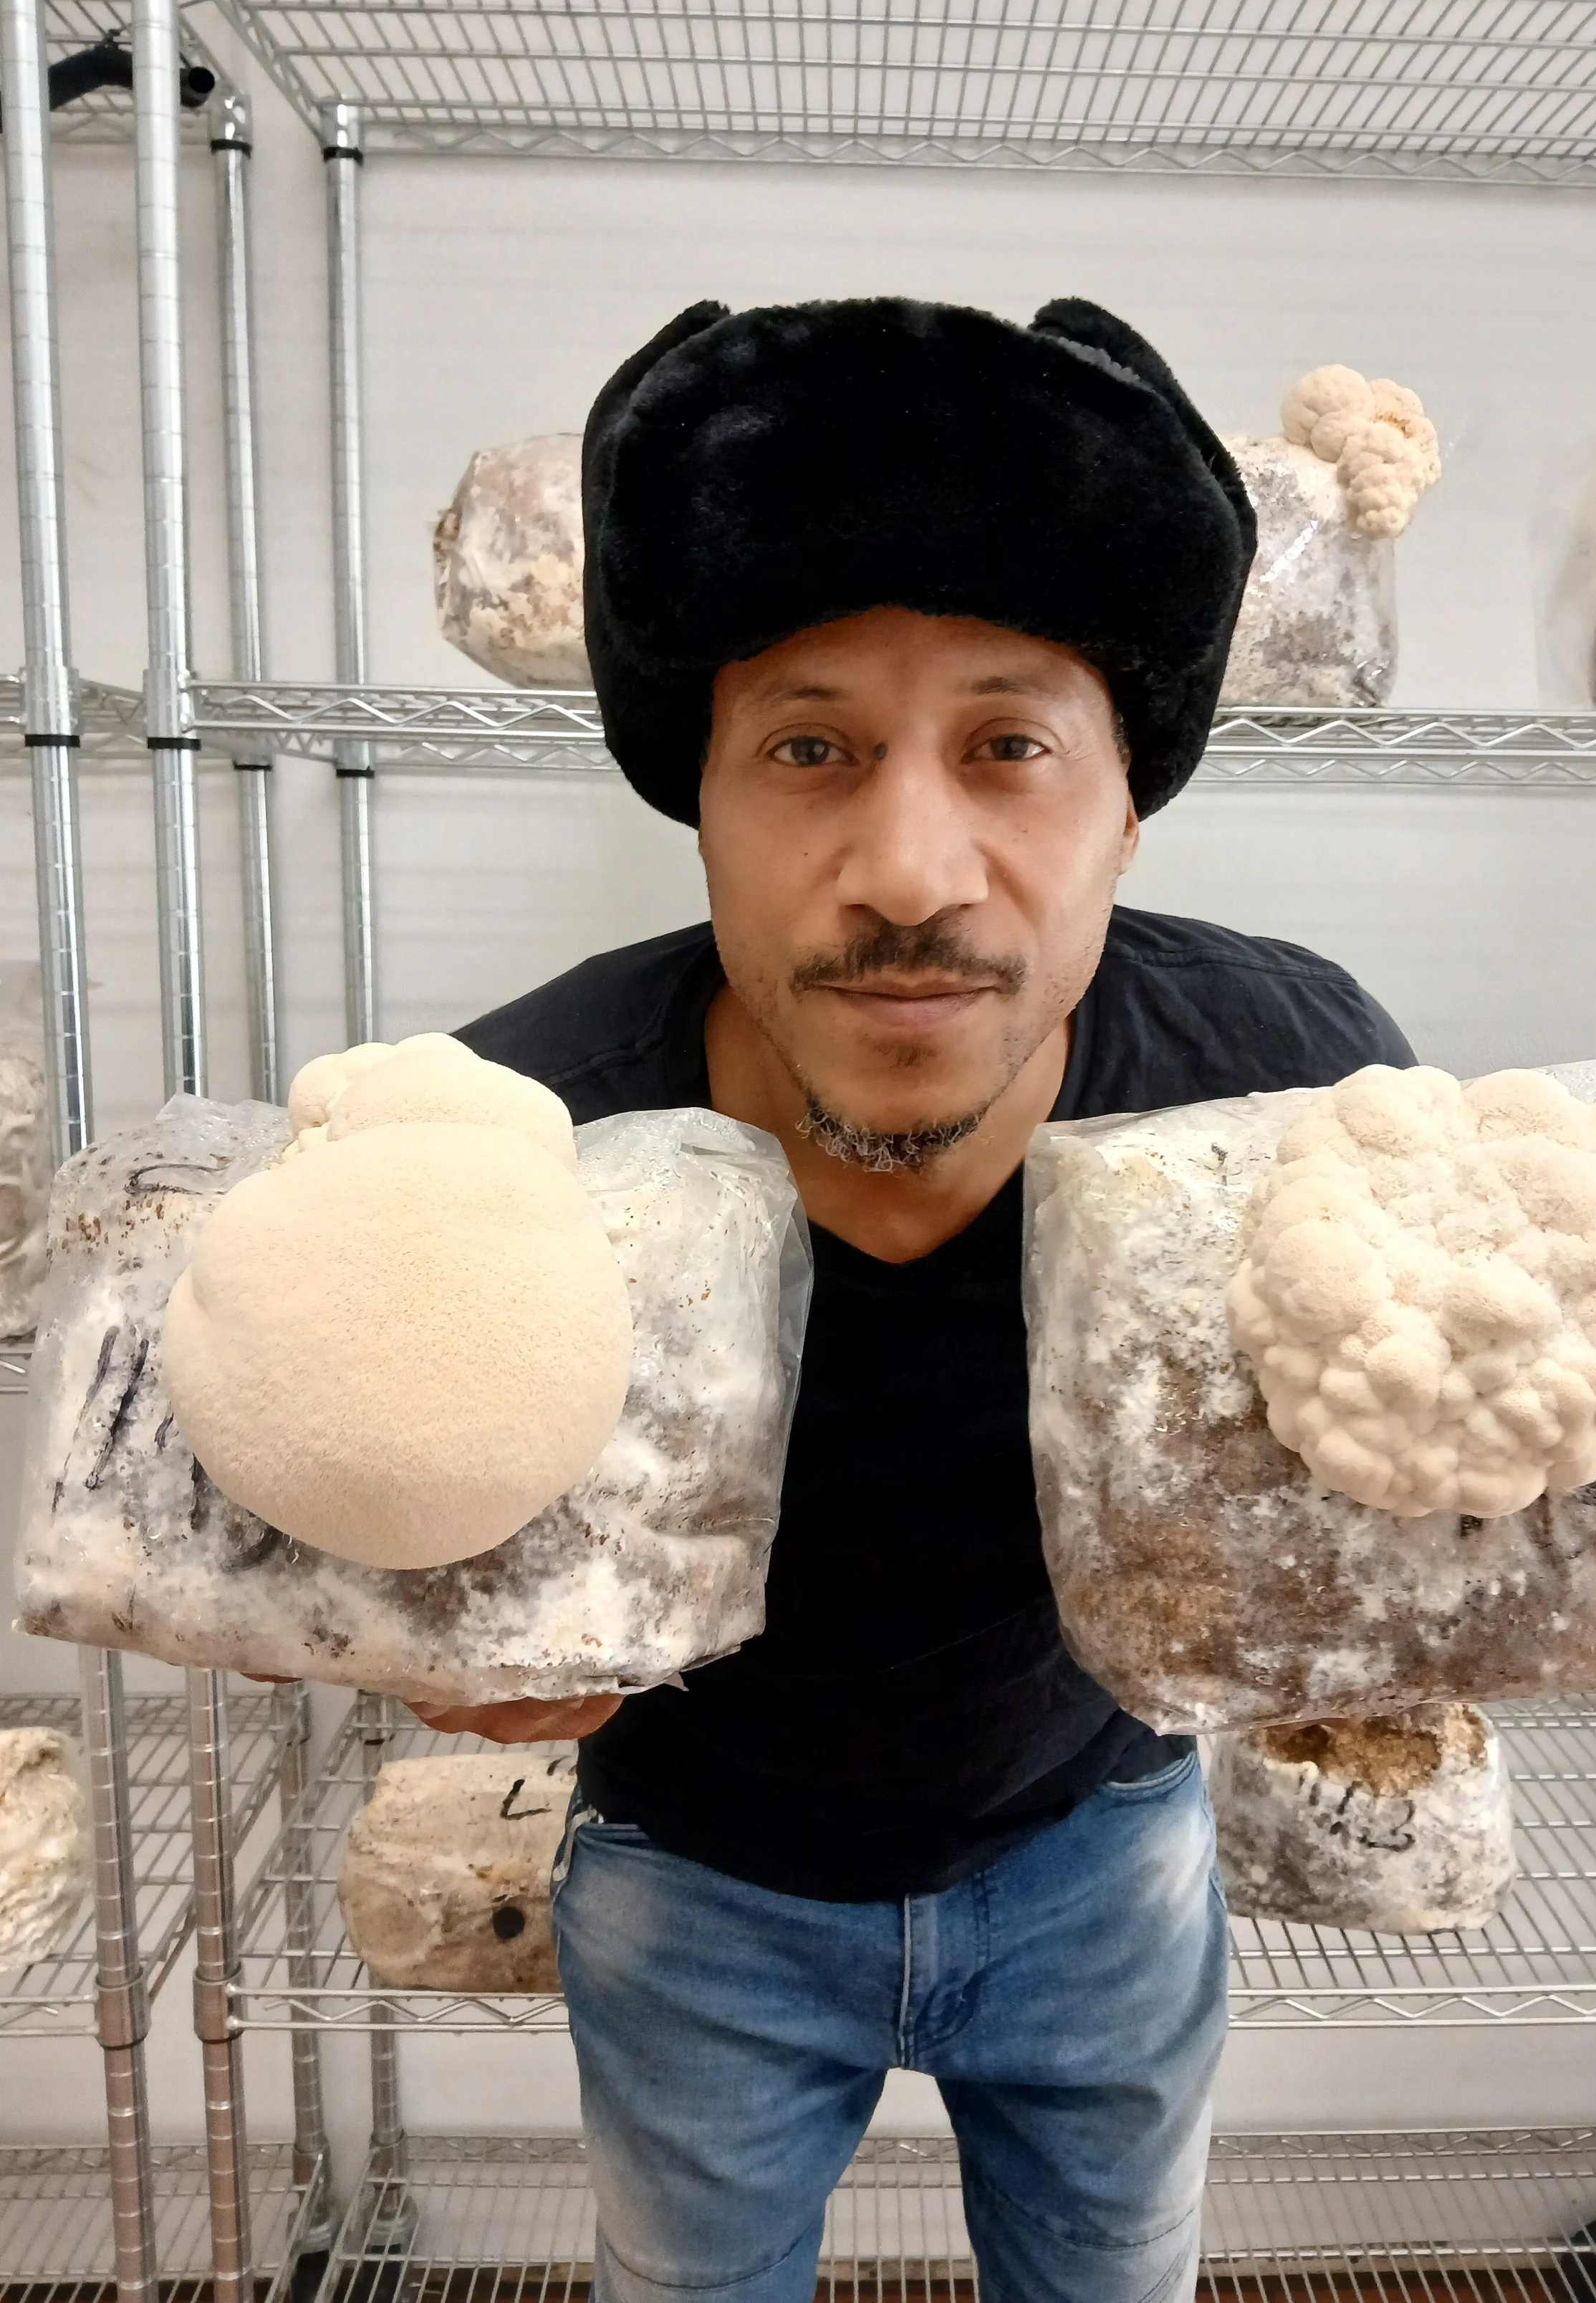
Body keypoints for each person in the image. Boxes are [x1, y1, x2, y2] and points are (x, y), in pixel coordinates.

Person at [420, 296, 1413, 2303]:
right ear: (691, 794)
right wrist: (430, 1609)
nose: (905, 863)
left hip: (1097, 1847)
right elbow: (417, 1548)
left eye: (1008, 746)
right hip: (694, 1873)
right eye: (806, 746)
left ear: (1126, 800)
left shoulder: (1289, 1086)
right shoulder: (514, 1143)